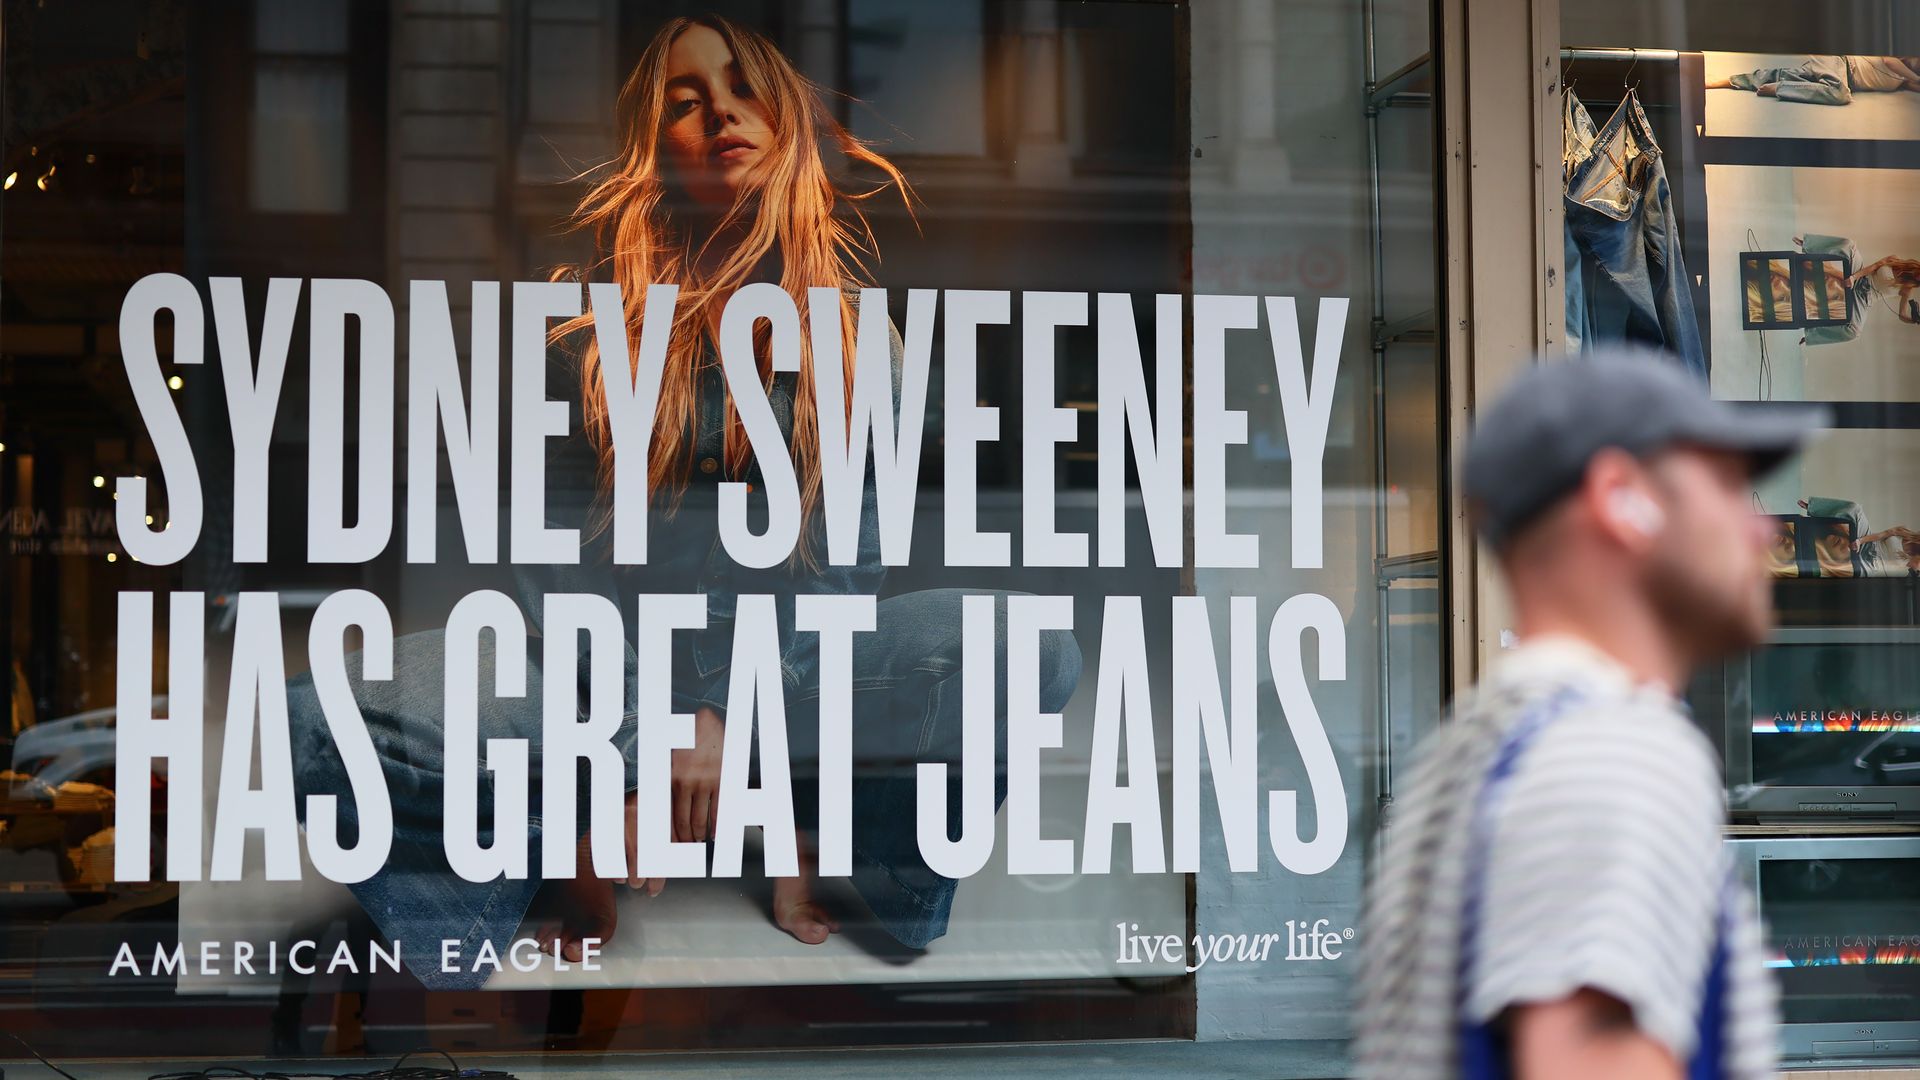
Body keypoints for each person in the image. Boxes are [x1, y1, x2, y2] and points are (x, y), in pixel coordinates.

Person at [284, 15, 1082, 991]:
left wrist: (724, 722)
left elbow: (841, 578)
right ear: (655, 151)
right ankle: (512, 880)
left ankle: (856, 847)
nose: (721, 114)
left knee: (1034, 646)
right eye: (687, 100)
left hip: (788, 684)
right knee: (315, 719)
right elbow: (557, 582)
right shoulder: (580, 342)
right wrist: (614, 769)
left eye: (743, 89)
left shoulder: (864, 345)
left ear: (784, 122)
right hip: (598, 685)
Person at [1354, 350, 1827, 1079]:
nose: (1762, 528)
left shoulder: (1477, 748)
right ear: (1621, 498)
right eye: (1730, 485)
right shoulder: (1613, 750)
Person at [1707, 54, 1920, 106]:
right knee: (1840, 95)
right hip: (1839, 65)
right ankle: (1781, 88)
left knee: (1780, 73)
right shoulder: (1895, 61)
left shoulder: (1902, 81)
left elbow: (1914, 86)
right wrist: (1915, 75)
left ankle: (1724, 82)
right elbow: (1889, 62)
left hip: (1832, 76)